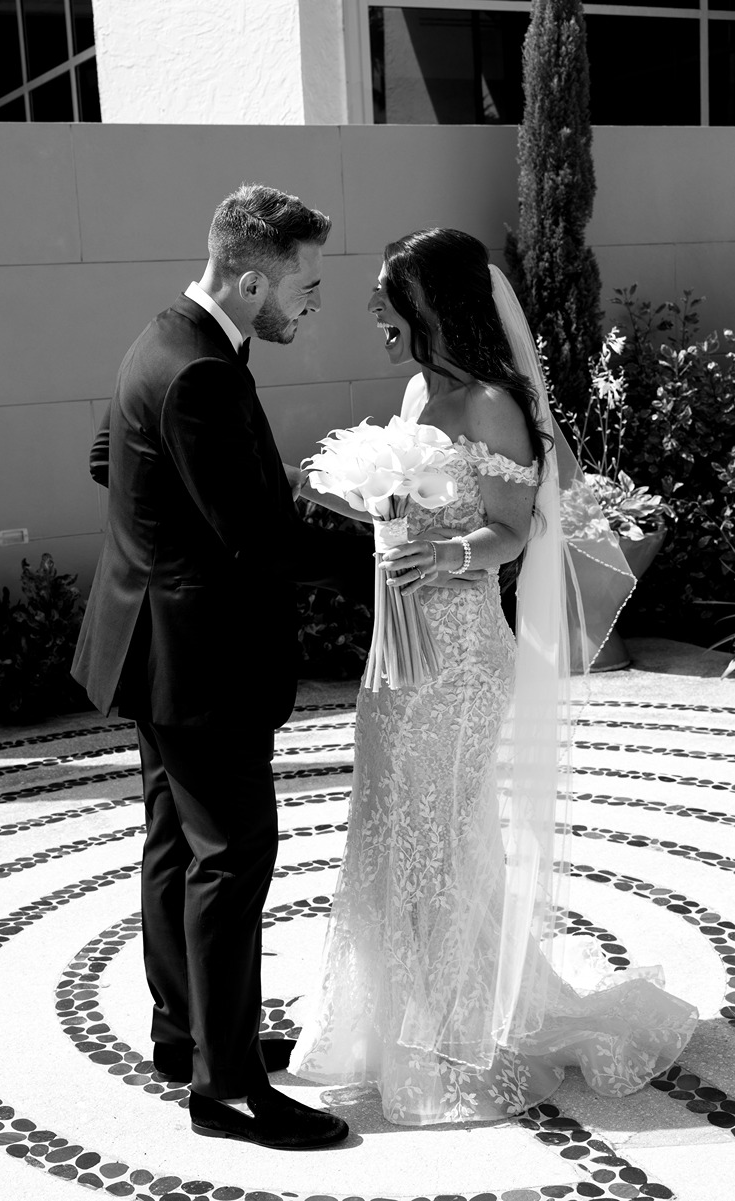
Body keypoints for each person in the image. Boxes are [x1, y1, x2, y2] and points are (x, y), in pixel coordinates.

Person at [289, 229, 698, 1125]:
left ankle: (453, 1035)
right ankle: (386, 1021)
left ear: (430, 303)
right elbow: (403, 505)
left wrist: (448, 556)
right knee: (388, 826)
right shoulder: (412, 390)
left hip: (464, 656)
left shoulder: (492, 403)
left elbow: (513, 531)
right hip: (393, 655)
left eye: (386, 297)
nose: (373, 315)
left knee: (444, 835)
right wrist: (341, 496)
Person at [71, 184, 374, 1150]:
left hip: (145, 641)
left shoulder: (160, 337)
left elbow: (104, 458)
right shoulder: (200, 372)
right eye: (305, 288)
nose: (313, 304)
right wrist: (389, 542)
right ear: (251, 280)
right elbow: (257, 541)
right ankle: (228, 1090)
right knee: (232, 858)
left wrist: (244, 483)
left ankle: (187, 1034)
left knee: (177, 844)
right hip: (199, 663)